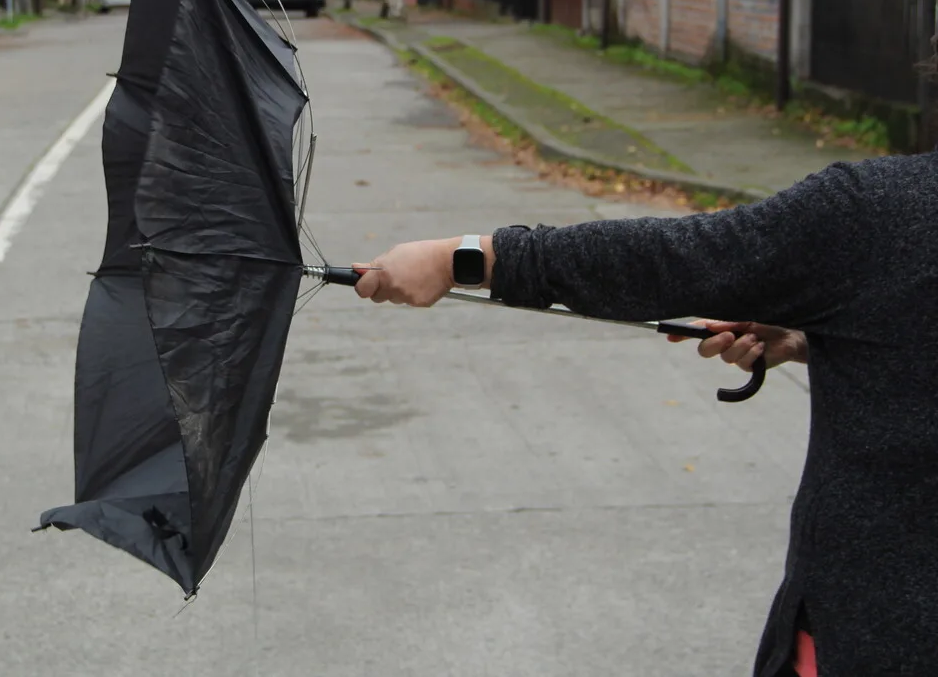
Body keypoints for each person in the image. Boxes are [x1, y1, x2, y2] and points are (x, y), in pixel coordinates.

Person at [352, 153, 938, 677]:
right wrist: (827, 340)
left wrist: (464, 260)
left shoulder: (881, 211)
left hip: (876, 631)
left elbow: (679, 258)